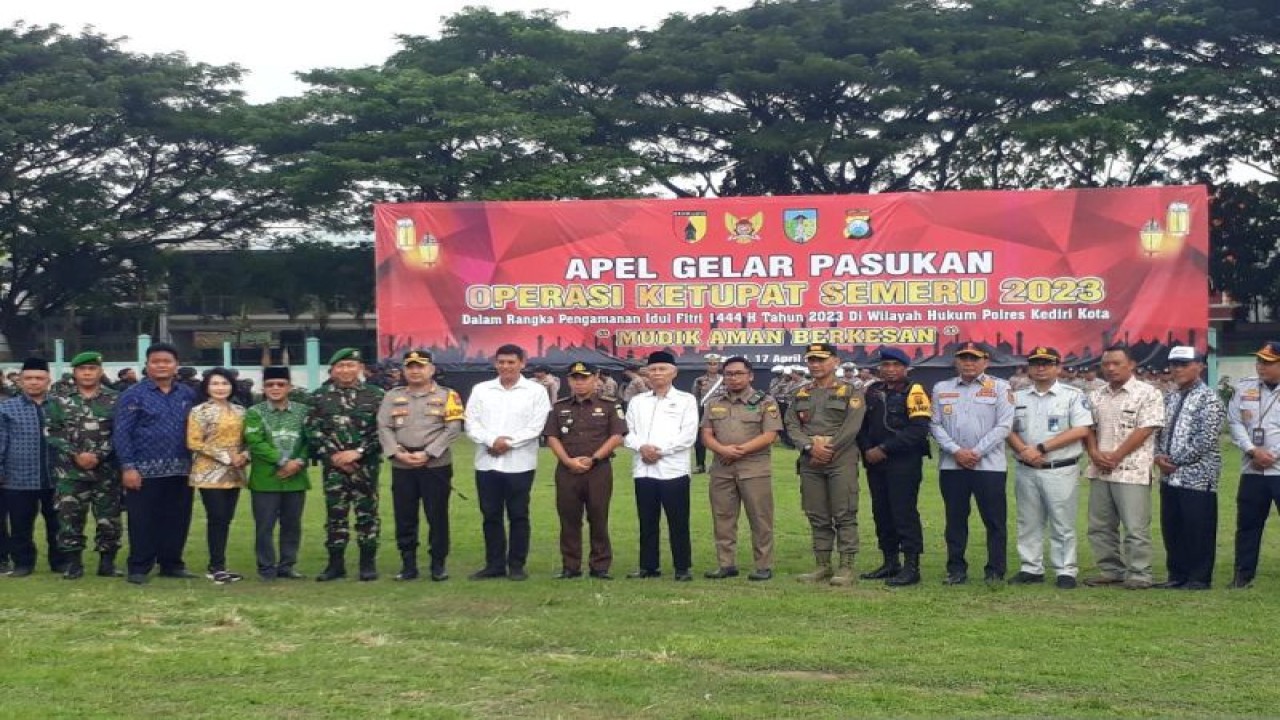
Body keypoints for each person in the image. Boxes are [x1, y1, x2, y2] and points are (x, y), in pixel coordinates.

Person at [1004, 346, 1093, 589]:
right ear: (1029, 368)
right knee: (1028, 521)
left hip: (1060, 468)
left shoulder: (1072, 395)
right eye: (1036, 363)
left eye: (1047, 363)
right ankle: (1030, 567)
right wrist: (1024, 451)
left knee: (1062, 521)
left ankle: (1066, 570)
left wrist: (1040, 448)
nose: (1041, 368)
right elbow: (1007, 429)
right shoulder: (1018, 396)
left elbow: (1082, 429)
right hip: (1026, 467)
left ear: (1058, 367)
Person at [930, 342, 1015, 585]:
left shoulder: (1000, 387)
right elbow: (934, 424)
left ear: (985, 362)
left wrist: (975, 452)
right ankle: (956, 569)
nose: (968, 363)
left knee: (994, 520)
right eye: (963, 358)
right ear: (956, 361)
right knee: (955, 520)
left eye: (974, 358)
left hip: (989, 466)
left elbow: (1004, 426)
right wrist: (957, 451)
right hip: (952, 465)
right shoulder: (941, 388)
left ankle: (995, 570)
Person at [464, 344, 551, 581]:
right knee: (490, 515)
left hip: (520, 464)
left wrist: (507, 443)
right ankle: (494, 564)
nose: (506, 366)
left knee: (518, 515)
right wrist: (492, 440)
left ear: (522, 363)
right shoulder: (481, 389)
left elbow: (536, 426)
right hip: (487, 462)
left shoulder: (535, 391)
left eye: (511, 362)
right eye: (501, 362)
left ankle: (516, 565)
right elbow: (471, 423)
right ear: (495, 363)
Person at [113, 342, 199, 584]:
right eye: (156, 361)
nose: (162, 365)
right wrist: (128, 467)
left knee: (177, 518)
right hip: (143, 471)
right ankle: (139, 566)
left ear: (176, 366)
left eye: (167, 361)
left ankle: (172, 563)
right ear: (147, 366)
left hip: (181, 469)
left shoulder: (188, 394)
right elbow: (122, 433)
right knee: (142, 520)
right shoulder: (133, 394)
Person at [1082, 344, 1166, 589]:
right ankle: (1111, 571)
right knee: (1099, 527)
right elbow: (1087, 428)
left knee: (1135, 527)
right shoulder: (1096, 395)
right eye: (1106, 364)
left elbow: (1147, 428)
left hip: (1132, 470)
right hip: (1099, 469)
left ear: (1131, 364)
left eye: (1116, 363)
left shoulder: (1148, 393)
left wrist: (1117, 455)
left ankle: (1139, 574)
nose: (1110, 368)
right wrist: (1094, 453)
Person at [377, 349, 464, 582]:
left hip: (435, 466)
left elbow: (453, 428)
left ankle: (438, 564)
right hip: (403, 465)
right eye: (410, 366)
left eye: (420, 366)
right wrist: (396, 452)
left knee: (437, 516)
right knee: (404, 516)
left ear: (431, 369)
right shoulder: (392, 396)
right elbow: (383, 426)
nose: (415, 371)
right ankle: (408, 565)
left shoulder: (448, 395)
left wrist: (428, 453)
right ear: (404, 370)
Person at [784, 343, 867, 586]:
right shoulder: (801, 393)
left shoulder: (851, 391)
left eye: (821, 359)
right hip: (810, 460)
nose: (815, 364)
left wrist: (829, 448)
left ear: (835, 362)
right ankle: (822, 565)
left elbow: (853, 426)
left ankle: (846, 566)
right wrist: (810, 447)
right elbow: (791, 425)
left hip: (841, 458)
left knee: (844, 512)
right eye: (811, 360)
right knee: (816, 513)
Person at [306, 348, 386, 581]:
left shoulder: (376, 395)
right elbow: (312, 429)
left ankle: (367, 564)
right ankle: (335, 564)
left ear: (360, 368)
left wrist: (358, 453)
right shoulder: (319, 396)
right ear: (332, 370)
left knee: (367, 514)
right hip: (334, 468)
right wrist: (334, 456)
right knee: (335, 514)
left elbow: (383, 430)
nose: (346, 370)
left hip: (366, 466)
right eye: (340, 366)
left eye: (351, 365)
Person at [700, 357, 782, 581]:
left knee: (760, 518)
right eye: (728, 374)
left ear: (750, 376)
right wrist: (722, 450)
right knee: (723, 518)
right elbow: (706, 434)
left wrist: (739, 451)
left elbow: (770, 435)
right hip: (721, 469)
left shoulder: (765, 401)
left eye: (738, 373)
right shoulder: (714, 401)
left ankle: (763, 565)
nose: (733, 378)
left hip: (754, 469)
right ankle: (726, 564)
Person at [856, 347, 931, 587]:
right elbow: (863, 426)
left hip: (903, 461)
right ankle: (890, 562)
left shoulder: (915, 391)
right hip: (874, 461)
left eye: (896, 366)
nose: (890, 370)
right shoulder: (873, 391)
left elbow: (918, 430)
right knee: (882, 512)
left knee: (904, 512)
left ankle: (911, 566)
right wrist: (867, 449)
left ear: (906, 368)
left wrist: (884, 449)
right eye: (886, 365)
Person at [544, 361, 626, 579]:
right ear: (569, 380)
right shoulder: (560, 406)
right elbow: (552, 437)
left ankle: (599, 566)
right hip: (567, 470)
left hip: (598, 470)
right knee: (569, 518)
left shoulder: (610, 405)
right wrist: (568, 461)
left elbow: (617, 435)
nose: (579, 383)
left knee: (598, 517)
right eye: (575, 378)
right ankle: (570, 566)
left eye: (584, 378)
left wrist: (594, 459)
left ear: (595, 378)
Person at [46, 351, 123, 579]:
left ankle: (107, 563)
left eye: (92, 368)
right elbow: (52, 431)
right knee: (69, 518)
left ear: (100, 371)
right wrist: (75, 454)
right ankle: (73, 564)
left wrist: (99, 455)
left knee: (109, 519)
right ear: (74, 372)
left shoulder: (115, 399)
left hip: (105, 471)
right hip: (71, 471)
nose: (87, 373)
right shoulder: (59, 400)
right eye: (82, 369)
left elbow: (120, 432)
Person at [1153, 346, 1225, 590]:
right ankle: (1177, 575)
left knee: (1198, 527)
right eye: (1174, 364)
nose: (1177, 369)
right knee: (1172, 526)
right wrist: (1158, 457)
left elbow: (1205, 440)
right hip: (1169, 476)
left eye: (1184, 364)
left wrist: (1174, 461)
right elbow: (1157, 432)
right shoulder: (1169, 397)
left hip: (1197, 475)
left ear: (1200, 366)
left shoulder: (1210, 399)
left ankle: (1199, 577)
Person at [624, 350, 699, 581]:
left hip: (673, 469)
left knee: (678, 520)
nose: (657, 374)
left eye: (662, 369)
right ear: (646, 372)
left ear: (674, 372)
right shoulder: (637, 401)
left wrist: (659, 451)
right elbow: (628, 433)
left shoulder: (686, 400)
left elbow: (688, 435)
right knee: (647, 521)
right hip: (643, 469)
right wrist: (641, 448)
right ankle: (648, 566)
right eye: (653, 369)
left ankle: (682, 567)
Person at [244, 366, 311, 581]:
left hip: (296, 478)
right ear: (263, 388)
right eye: (270, 385)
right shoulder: (255, 412)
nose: (275, 388)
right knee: (264, 526)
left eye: (280, 384)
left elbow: (311, 439)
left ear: (289, 387)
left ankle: (287, 566)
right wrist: (283, 461)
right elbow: (255, 442)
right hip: (265, 479)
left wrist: (298, 462)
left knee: (292, 525)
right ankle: (266, 568)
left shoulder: (303, 411)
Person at [0, 358, 65, 576]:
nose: (34, 382)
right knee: (20, 525)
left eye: (39, 378)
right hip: (18, 478)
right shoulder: (6, 408)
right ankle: (23, 563)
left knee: (58, 524)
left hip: (56, 476)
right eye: (28, 378)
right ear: (20, 381)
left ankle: (60, 562)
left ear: (48, 380)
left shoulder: (61, 406)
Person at [187, 368, 250, 584]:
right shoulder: (199, 411)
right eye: (215, 384)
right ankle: (216, 567)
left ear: (232, 386)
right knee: (217, 517)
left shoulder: (241, 411)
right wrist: (225, 456)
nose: (220, 388)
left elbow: (249, 438)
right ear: (206, 387)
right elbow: (194, 441)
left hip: (235, 471)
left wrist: (244, 456)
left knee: (226, 519)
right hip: (209, 472)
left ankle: (220, 565)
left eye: (224, 383)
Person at [1227, 341, 1280, 588]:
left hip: (1278, 467)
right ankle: (1242, 575)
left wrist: (1273, 455)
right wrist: (1251, 449)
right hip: (1252, 469)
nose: (1261, 366)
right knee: (1247, 524)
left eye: (1268, 362)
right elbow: (1235, 422)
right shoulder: (1245, 387)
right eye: (1259, 361)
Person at [691, 353, 724, 473]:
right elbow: (695, 397)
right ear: (706, 365)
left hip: (721, 411)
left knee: (720, 438)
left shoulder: (724, 380)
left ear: (719, 365)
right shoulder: (699, 380)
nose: (712, 366)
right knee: (700, 439)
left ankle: (716, 464)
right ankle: (700, 465)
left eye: (715, 364)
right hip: (703, 411)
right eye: (710, 364)